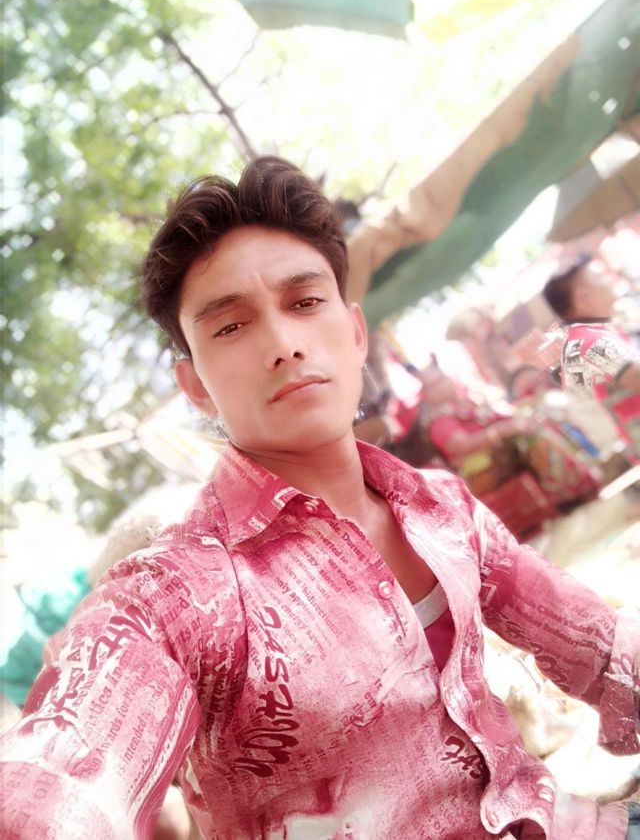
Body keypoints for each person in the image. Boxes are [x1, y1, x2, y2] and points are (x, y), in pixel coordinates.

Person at [0, 157, 638, 839]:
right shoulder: (178, 597)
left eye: (304, 302)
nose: (283, 343)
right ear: (196, 387)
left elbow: (602, 647)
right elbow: (58, 789)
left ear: (356, 333)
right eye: (230, 326)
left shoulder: (442, 510)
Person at [416, 358, 599, 508]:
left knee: (539, 420)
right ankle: (569, 494)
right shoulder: (439, 421)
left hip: (500, 453)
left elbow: (501, 414)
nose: (441, 385)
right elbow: (460, 445)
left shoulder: (466, 402)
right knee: (531, 437)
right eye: (434, 385)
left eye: (441, 379)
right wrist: (502, 430)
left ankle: (583, 476)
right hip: (483, 470)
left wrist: (521, 415)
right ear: (426, 394)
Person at [542, 254, 640, 454]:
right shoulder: (590, 342)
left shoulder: (587, 336)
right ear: (583, 297)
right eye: (600, 275)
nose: (610, 277)